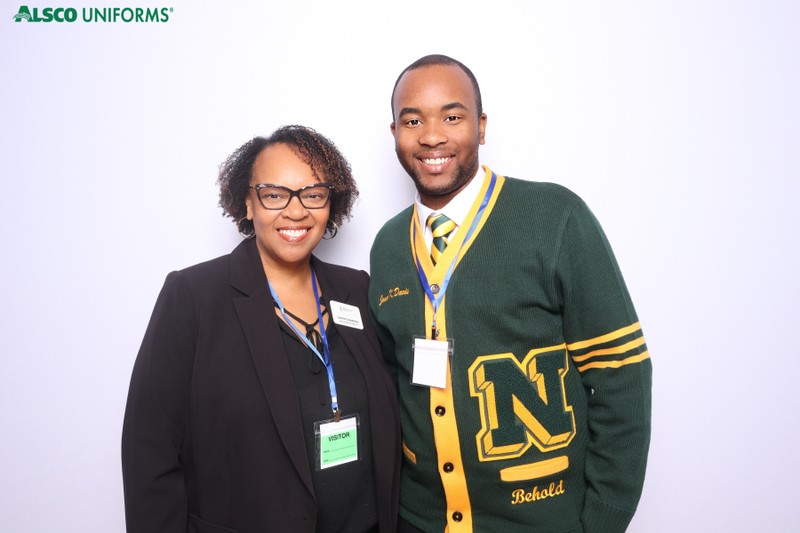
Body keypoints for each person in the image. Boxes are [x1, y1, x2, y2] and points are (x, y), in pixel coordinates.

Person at [368, 55, 652, 533]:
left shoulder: (554, 217)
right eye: (412, 120)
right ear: (393, 130)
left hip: (542, 519)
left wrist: (601, 524)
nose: (432, 136)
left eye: (452, 117)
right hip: (420, 521)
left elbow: (620, 376)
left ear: (480, 127)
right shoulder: (388, 246)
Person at [122, 125, 400, 533]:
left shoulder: (357, 289)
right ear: (248, 204)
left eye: (313, 194)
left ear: (330, 202)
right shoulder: (194, 297)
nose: (295, 211)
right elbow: (150, 452)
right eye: (274, 194)